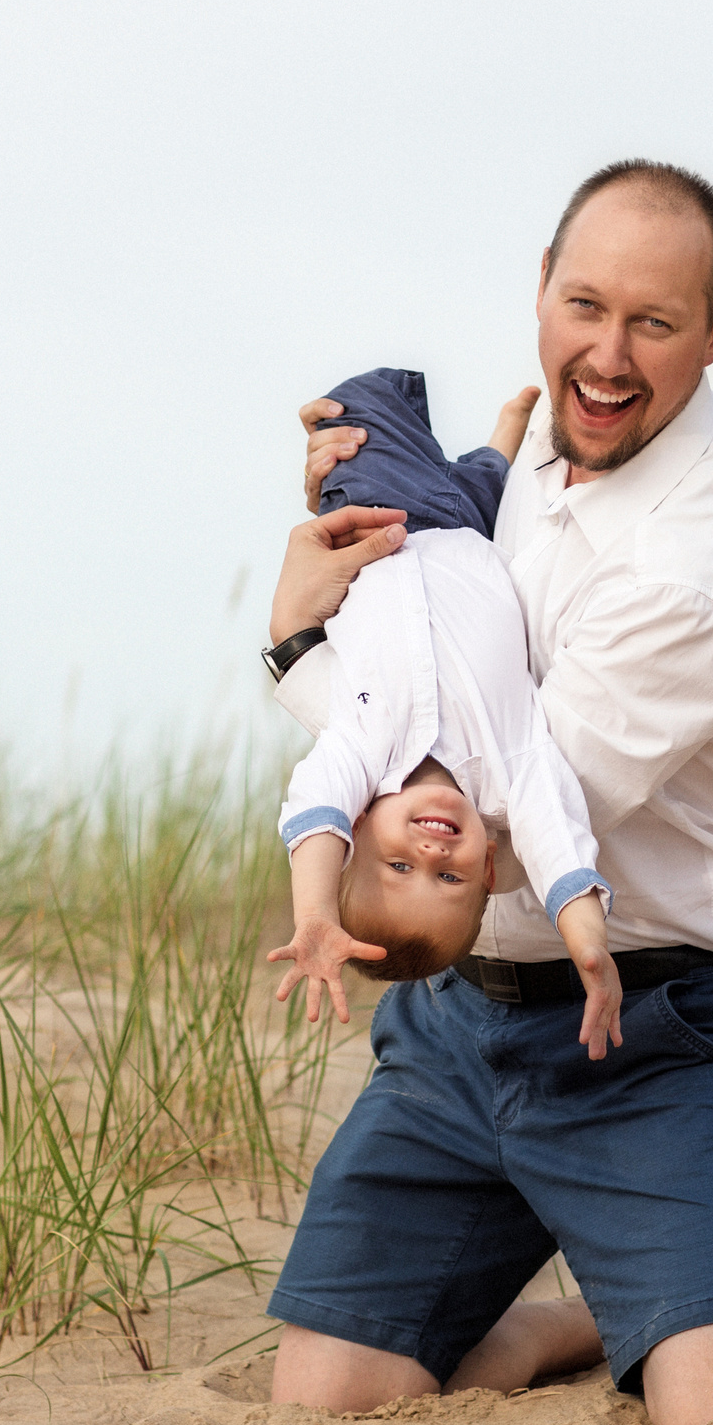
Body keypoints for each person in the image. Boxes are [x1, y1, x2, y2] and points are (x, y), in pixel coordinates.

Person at [261, 160, 713, 1425]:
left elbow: (497, 828)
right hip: (460, 1025)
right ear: (541, 288)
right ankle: (582, 1318)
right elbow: (440, 634)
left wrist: (297, 657)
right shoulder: (538, 458)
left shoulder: (706, 559)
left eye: (655, 322)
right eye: (584, 305)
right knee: (323, 1398)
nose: (607, 355)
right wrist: (366, 531)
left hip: (656, 1030)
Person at [268, 366, 620, 1057]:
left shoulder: (362, 751)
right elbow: (557, 841)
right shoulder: (511, 773)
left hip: (388, 515)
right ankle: (503, 440)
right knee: (487, 482)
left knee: (360, 407)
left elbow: (312, 811)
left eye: (398, 867)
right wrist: (587, 943)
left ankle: (386, 414)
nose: (430, 853)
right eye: (450, 877)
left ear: (360, 828)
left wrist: (313, 914)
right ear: (489, 867)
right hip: (473, 533)